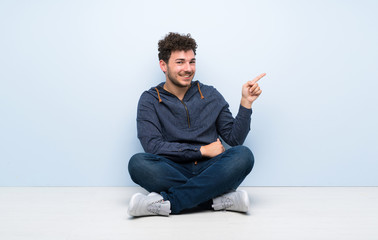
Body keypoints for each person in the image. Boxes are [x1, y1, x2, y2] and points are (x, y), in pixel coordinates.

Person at [127, 32, 265, 217]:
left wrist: (246, 103)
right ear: (163, 65)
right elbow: (153, 147)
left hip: (211, 167)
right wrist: (202, 151)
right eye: (180, 62)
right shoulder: (149, 100)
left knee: (243, 155)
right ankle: (217, 199)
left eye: (192, 62)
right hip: (173, 168)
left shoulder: (210, 94)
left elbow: (234, 139)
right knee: (138, 163)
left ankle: (170, 203)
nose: (188, 68)